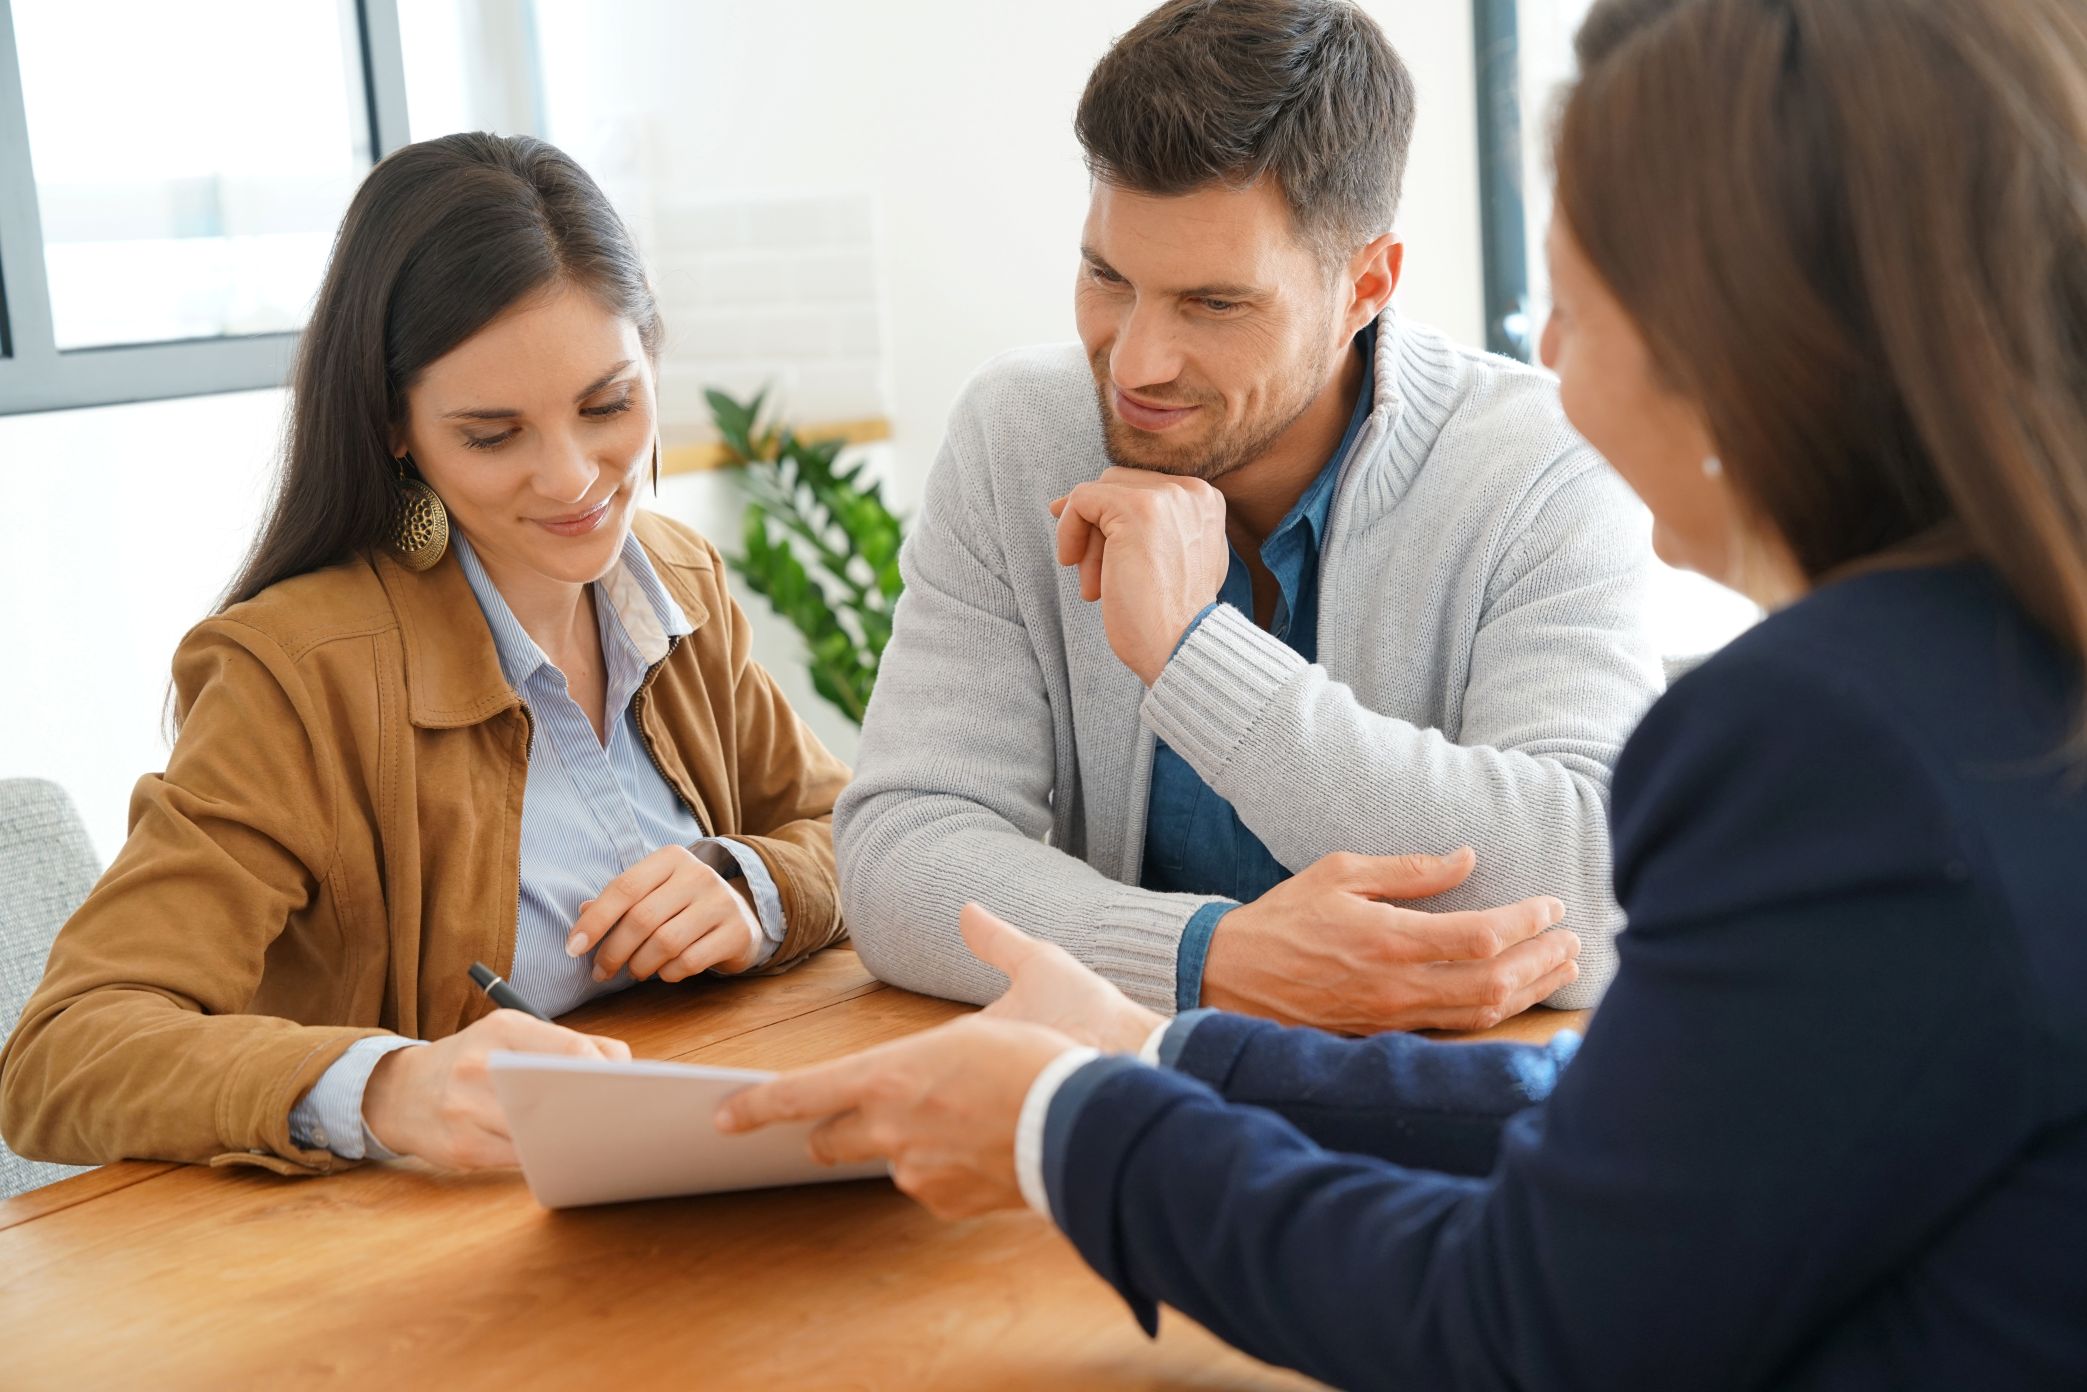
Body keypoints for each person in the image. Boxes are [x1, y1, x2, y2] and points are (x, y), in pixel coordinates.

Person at [718, 0, 2087, 1385]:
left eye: (1579, 300)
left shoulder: (1825, 728)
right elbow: (1661, 1116)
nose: (1135, 359)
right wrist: (1187, 1009)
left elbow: (1531, 1284)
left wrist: (1070, 1110)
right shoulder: (1998, 672)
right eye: (1105, 280)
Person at [0, 134, 849, 1175]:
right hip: (412, 1258)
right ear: (397, 429)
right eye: (493, 435)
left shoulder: (673, 581)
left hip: (697, 1164)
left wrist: (751, 885)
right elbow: (64, 1054)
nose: (573, 478)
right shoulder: (296, 674)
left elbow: (857, 832)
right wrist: (389, 1083)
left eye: (608, 404)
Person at [837, 0, 1664, 1034]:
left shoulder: (1540, 462)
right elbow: (900, 853)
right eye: (1106, 276)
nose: (1134, 363)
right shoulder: (1018, 432)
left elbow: (1591, 883)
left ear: (1365, 283)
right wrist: (1203, 961)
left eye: (1213, 304)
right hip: (1118, 1109)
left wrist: (1193, 659)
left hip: (1433, 1138)